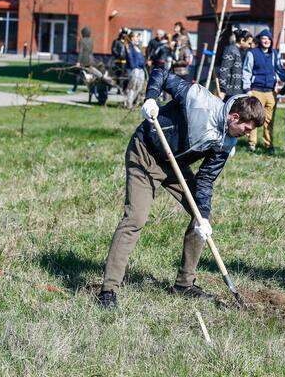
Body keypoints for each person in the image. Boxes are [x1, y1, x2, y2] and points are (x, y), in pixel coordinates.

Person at [97, 68, 266, 308]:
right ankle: (108, 290)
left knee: (200, 218)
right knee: (135, 218)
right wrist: (151, 98)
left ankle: (184, 284)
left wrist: (204, 216)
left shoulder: (226, 142)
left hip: (175, 165)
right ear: (235, 118)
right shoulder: (198, 100)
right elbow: (161, 75)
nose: (248, 135)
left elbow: (206, 179)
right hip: (146, 153)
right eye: (247, 129)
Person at [242, 28, 285, 151]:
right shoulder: (252, 53)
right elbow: (246, 71)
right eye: (263, 39)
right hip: (256, 90)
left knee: (269, 120)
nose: (266, 41)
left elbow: (279, 70)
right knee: (254, 118)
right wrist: (247, 89)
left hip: (270, 92)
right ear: (260, 40)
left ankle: (268, 144)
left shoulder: (275, 54)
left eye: (268, 39)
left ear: (271, 41)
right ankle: (252, 144)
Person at [218, 29, 254, 102]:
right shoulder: (231, 50)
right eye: (249, 43)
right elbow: (224, 70)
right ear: (242, 40)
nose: (250, 46)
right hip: (229, 93)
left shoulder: (238, 51)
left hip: (236, 92)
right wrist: (223, 90)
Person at [125, 31, 146, 109]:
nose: (138, 38)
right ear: (132, 38)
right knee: (133, 86)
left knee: (139, 87)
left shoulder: (138, 47)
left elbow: (141, 58)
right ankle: (129, 103)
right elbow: (130, 59)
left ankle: (132, 101)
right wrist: (134, 67)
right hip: (134, 69)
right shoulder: (129, 47)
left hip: (140, 69)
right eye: (137, 37)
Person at [70, 26, 94, 94]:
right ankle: (90, 89)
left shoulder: (82, 40)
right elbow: (91, 51)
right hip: (90, 60)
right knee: (89, 75)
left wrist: (78, 62)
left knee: (77, 74)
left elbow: (80, 52)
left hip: (83, 60)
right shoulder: (91, 41)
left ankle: (74, 89)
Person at [111, 28, 130, 92]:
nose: (124, 35)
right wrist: (118, 55)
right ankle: (119, 88)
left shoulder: (128, 42)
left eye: (125, 33)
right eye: (123, 33)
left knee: (126, 76)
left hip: (126, 62)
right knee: (118, 75)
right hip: (118, 61)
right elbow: (113, 50)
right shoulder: (116, 41)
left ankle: (124, 88)